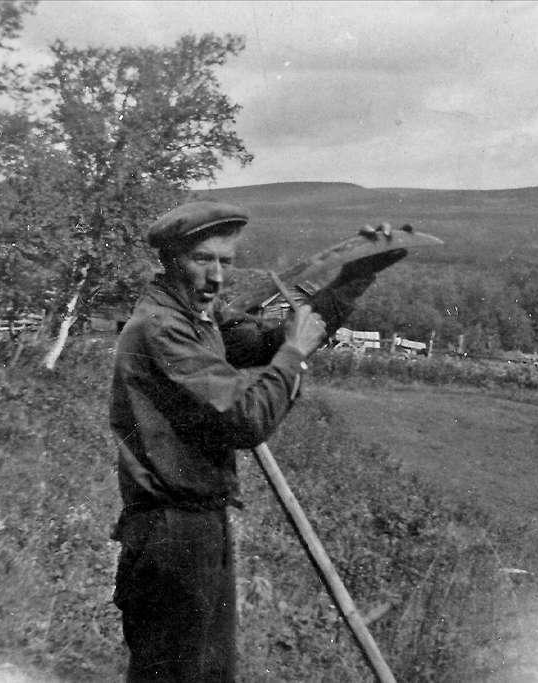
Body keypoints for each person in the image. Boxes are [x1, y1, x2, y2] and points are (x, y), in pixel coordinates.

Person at [109, 200, 373, 681]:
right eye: (202, 259)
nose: (215, 276)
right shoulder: (164, 330)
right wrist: (294, 353)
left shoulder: (197, 319)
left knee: (208, 674)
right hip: (171, 533)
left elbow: (271, 341)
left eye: (226, 262)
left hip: (198, 527)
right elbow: (248, 420)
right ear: (170, 260)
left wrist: (355, 278)